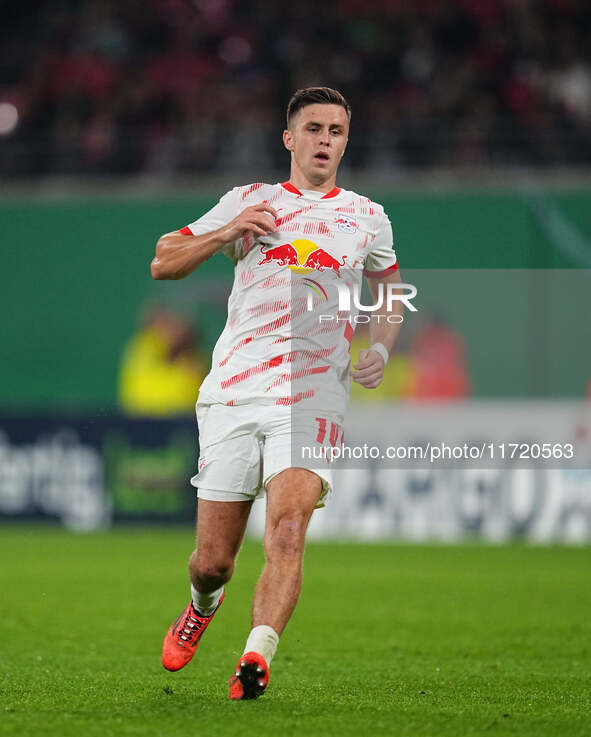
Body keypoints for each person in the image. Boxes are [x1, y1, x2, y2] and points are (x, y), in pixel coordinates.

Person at [151, 86, 404, 700]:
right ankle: (201, 606)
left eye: (336, 130)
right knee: (212, 562)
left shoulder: (367, 217)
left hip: (314, 395)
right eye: (313, 128)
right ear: (289, 139)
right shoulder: (249, 201)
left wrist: (378, 349)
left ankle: (256, 656)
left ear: (346, 140)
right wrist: (229, 232)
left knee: (288, 528)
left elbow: (390, 291)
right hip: (236, 392)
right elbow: (164, 260)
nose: (325, 139)